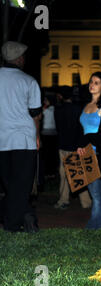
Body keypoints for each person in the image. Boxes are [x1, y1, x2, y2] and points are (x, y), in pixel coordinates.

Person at [0, 41, 41, 233]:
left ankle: (24, 217)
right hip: (23, 140)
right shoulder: (29, 81)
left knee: (10, 185)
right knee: (21, 185)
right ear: (19, 59)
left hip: (2, 140)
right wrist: (37, 136)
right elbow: (35, 114)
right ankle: (15, 224)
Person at [77, 72, 101, 230]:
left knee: (96, 193)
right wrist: (79, 144)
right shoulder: (85, 105)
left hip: (99, 154)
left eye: (97, 82)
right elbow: (80, 130)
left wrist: (87, 140)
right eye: (91, 81)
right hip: (85, 154)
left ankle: (92, 228)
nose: (92, 84)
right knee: (96, 192)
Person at [54, 86, 92, 210]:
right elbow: (83, 128)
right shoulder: (79, 109)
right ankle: (85, 202)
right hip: (75, 144)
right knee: (77, 174)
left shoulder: (58, 110)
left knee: (65, 174)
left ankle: (64, 200)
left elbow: (58, 128)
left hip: (63, 144)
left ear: (61, 96)